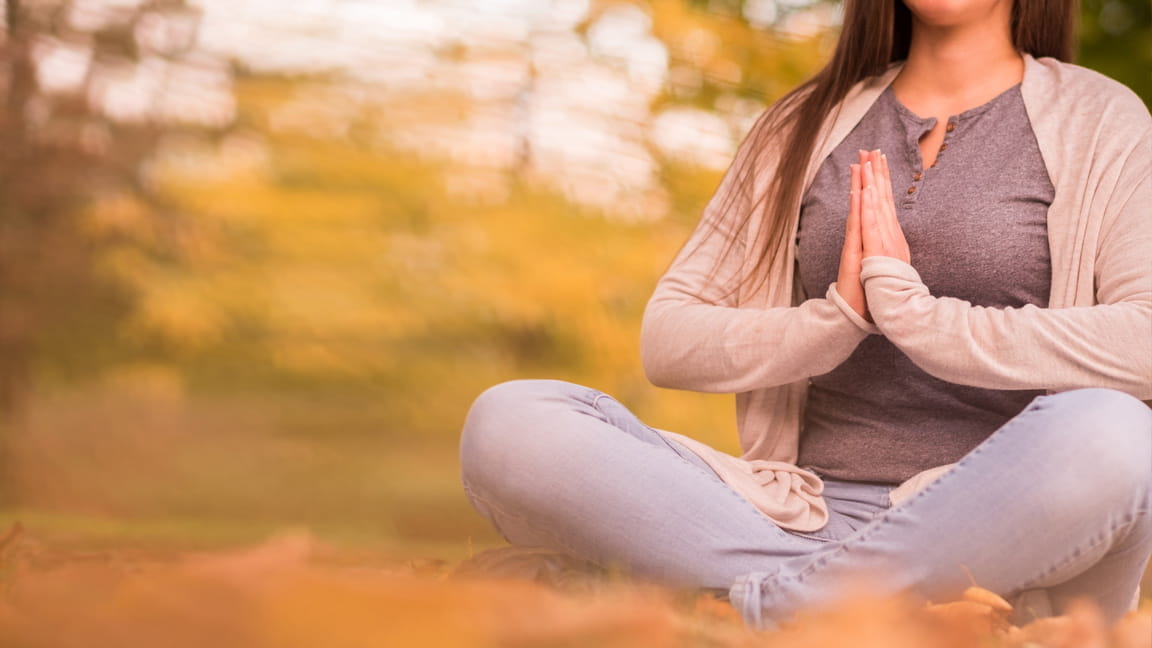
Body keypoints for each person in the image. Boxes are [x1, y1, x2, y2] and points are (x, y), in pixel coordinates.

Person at [458, 0, 1152, 629]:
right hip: (793, 516)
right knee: (511, 419)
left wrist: (920, 320)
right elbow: (669, 337)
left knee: (1116, 431)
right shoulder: (803, 123)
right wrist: (836, 318)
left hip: (1003, 526)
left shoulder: (1101, 119)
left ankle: (733, 597)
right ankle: (837, 601)